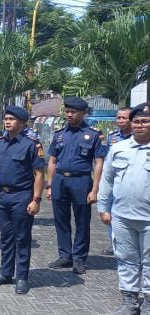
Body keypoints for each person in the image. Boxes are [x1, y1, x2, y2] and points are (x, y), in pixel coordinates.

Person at [0, 106, 45, 295]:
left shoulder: (31, 144)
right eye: (6, 118)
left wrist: (36, 200)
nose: (7, 121)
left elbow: (39, 174)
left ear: (22, 122)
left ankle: (22, 277)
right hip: (3, 196)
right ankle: (5, 273)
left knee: (22, 237)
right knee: (6, 237)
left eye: (12, 119)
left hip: (22, 196)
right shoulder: (0, 143)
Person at [97, 103, 150, 314]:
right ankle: (129, 301)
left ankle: (147, 303)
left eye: (145, 121)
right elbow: (106, 180)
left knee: (149, 262)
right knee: (126, 260)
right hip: (122, 217)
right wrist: (103, 208)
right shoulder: (118, 148)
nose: (139, 125)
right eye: (136, 121)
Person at [46, 97, 107, 274]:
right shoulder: (59, 134)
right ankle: (65, 255)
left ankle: (79, 257)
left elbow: (99, 163)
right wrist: (49, 185)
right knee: (61, 220)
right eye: (67, 112)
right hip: (60, 180)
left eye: (73, 112)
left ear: (83, 113)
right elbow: (52, 161)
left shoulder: (94, 134)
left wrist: (95, 189)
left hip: (81, 181)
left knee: (82, 220)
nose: (69, 115)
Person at [100, 106, 133, 256]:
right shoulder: (113, 137)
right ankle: (114, 243)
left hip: (133, 182)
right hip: (115, 182)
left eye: (124, 118)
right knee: (112, 213)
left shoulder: (138, 138)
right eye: (118, 118)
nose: (120, 121)